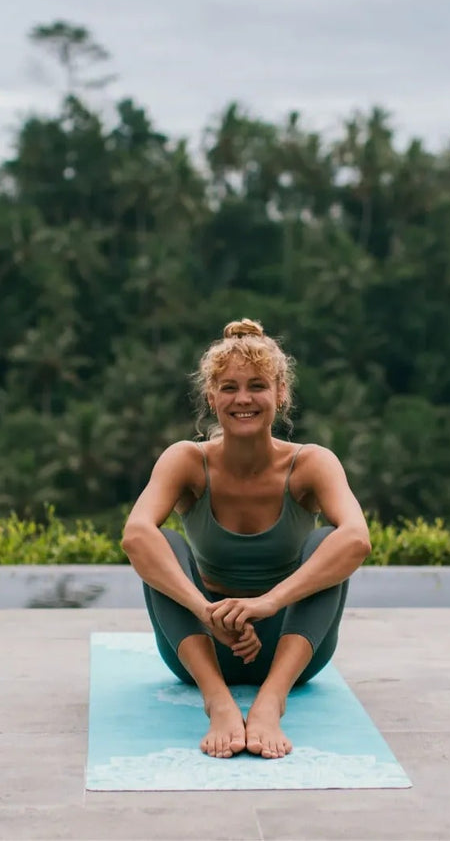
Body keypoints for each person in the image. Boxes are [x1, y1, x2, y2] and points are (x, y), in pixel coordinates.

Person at [122, 319, 371, 760]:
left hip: (292, 648)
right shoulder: (186, 460)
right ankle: (217, 700)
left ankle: (271, 701)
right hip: (200, 645)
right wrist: (207, 612)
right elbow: (135, 536)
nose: (243, 399)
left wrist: (267, 603)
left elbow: (357, 540)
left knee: (329, 543)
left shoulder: (312, 463)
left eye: (257, 386)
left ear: (280, 394)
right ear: (210, 396)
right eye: (229, 387)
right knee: (162, 545)